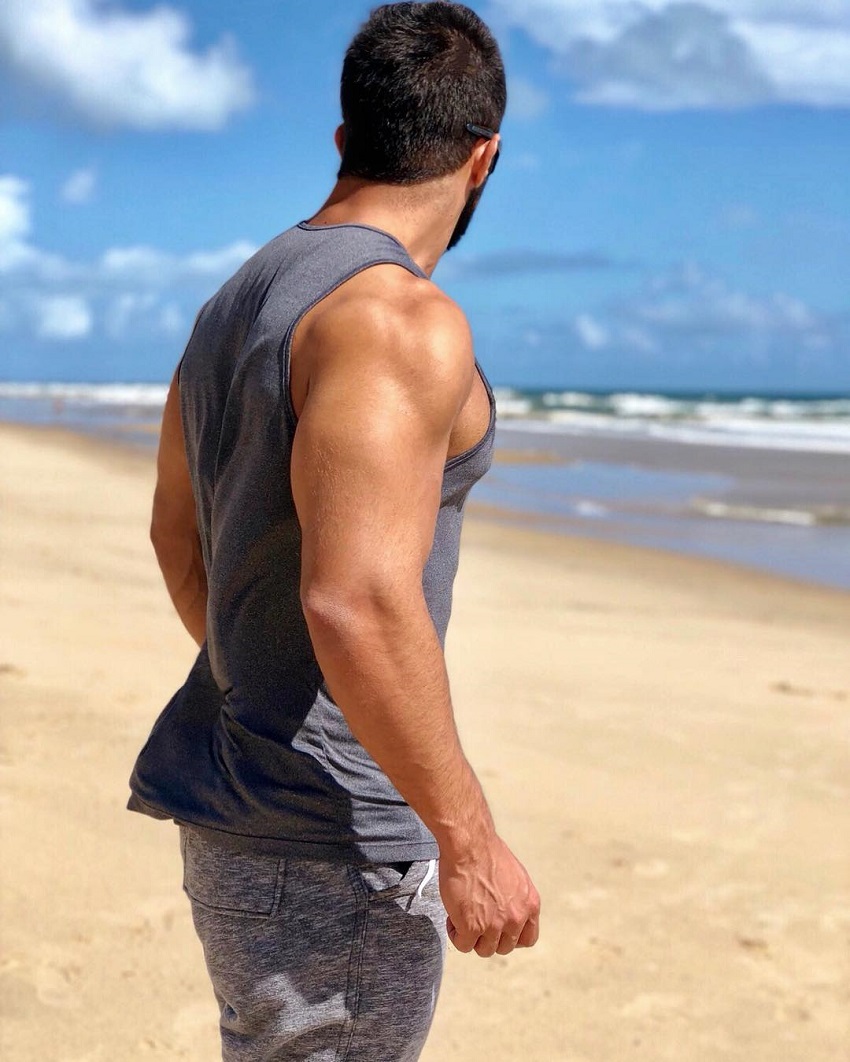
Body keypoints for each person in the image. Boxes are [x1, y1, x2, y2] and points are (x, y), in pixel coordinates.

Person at [128, 3, 540, 1059]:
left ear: (345, 139)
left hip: (236, 810)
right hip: (333, 833)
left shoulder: (236, 304)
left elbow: (180, 540)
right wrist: (468, 834)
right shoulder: (398, 319)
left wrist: (260, 695)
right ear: (482, 157)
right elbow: (355, 597)